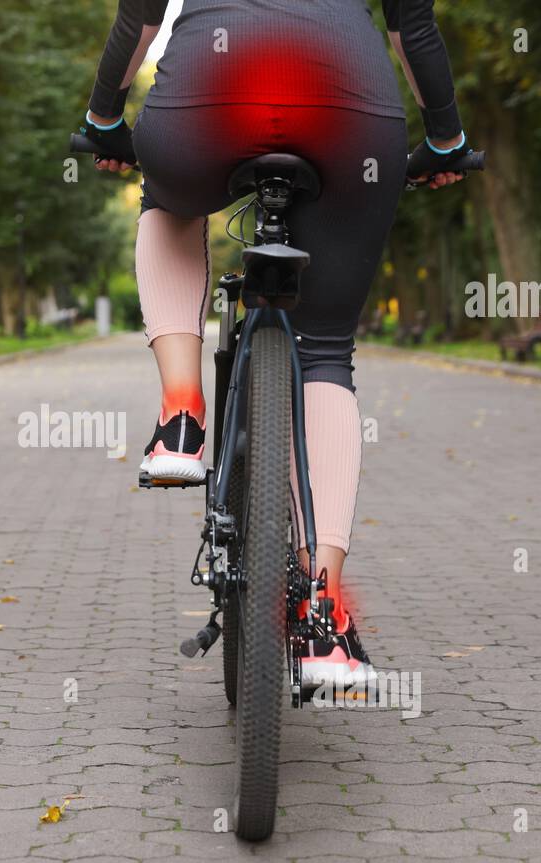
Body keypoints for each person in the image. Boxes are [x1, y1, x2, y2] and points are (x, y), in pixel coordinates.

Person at [79, 0, 472, 688]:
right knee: (323, 351)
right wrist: (444, 137)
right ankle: (324, 614)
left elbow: (139, 16)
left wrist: (104, 117)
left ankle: (179, 420)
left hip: (206, 100)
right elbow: (411, 26)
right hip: (350, 108)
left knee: (168, 202)